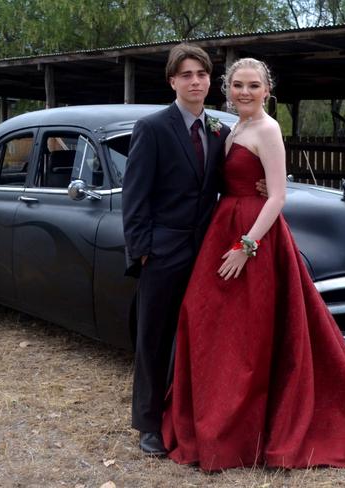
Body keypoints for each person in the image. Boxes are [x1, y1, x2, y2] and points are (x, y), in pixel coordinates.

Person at [161, 58, 345, 471]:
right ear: (227, 88)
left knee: (250, 335)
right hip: (226, 225)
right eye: (237, 85)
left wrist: (247, 246)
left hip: (253, 238)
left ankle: (245, 430)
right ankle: (216, 419)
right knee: (203, 319)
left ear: (268, 90)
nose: (245, 92)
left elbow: (277, 198)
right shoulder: (233, 127)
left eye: (254, 85)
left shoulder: (268, 129)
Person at [122, 43, 232, 456]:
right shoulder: (152, 128)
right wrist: (143, 251)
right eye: (185, 74)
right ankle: (149, 424)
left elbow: (227, 181)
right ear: (172, 81)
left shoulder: (218, 130)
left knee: (197, 337)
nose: (195, 81)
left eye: (201, 74)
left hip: (206, 252)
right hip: (163, 253)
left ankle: (187, 415)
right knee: (154, 337)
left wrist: (257, 186)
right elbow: (135, 196)